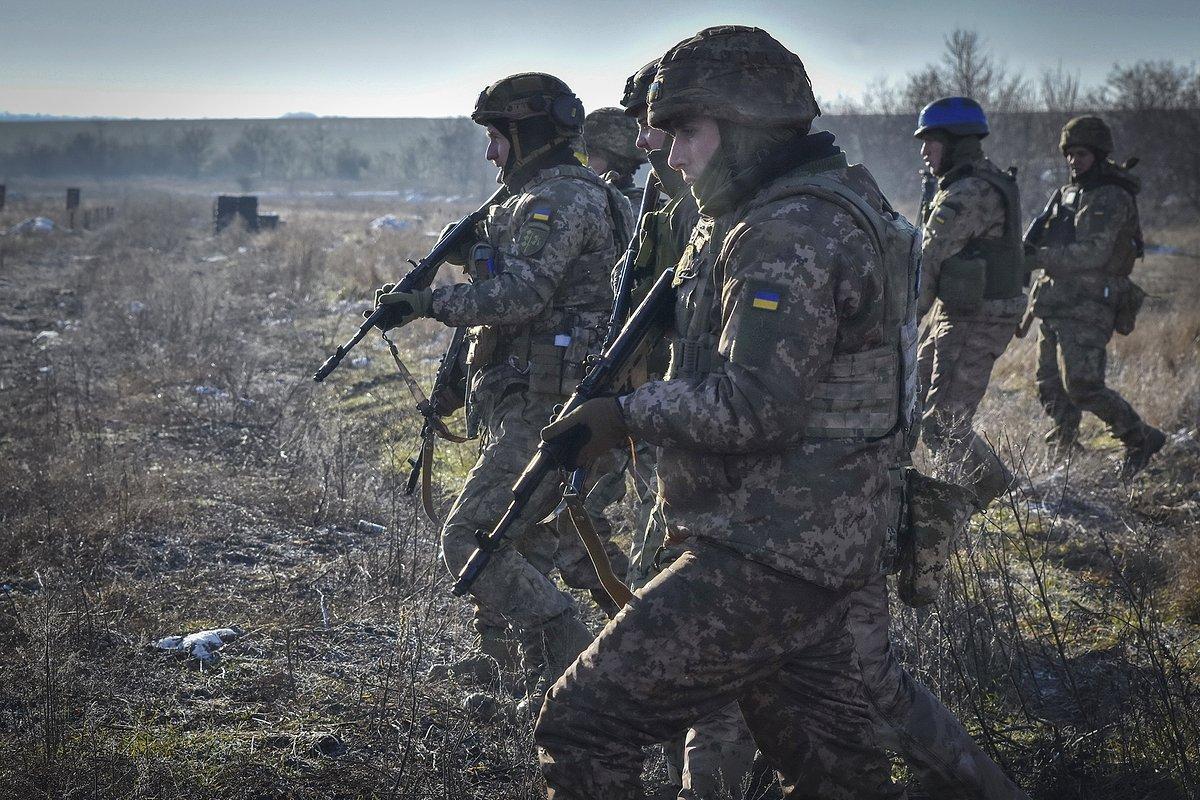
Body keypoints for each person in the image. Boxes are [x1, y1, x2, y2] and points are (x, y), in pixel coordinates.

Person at [534, 26, 911, 799]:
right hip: (807, 541)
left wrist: (625, 414)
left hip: (770, 549)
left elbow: (758, 404)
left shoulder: (786, 230)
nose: (671, 156)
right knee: (835, 769)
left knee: (582, 723)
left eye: (686, 132)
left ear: (744, 129)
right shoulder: (780, 212)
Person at [368, 72, 631, 713]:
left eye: (497, 137)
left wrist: (424, 302)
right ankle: (529, 684)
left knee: (470, 540)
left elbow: (521, 296)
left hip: (552, 407)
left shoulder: (560, 201)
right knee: (525, 546)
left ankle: (578, 674)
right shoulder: (531, 197)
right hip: (528, 399)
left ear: (528, 134)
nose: (490, 152)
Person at [1027, 115, 1165, 477]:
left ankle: (1139, 438)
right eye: (1069, 154)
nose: (1074, 161)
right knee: (1049, 381)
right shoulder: (1071, 193)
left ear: (1099, 155)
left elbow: (1093, 254)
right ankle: (1064, 445)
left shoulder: (1111, 197)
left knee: (1083, 385)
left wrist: (1037, 257)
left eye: (1082, 154)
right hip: (1057, 299)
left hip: (1090, 303)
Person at [913, 97, 1026, 508]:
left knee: (944, 422)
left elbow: (929, 258)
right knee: (916, 396)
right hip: (960, 309)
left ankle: (996, 494)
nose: (924, 152)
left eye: (931, 142)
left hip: (976, 315)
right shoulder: (975, 181)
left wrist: (905, 324)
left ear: (957, 142)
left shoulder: (969, 192)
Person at [584, 106, 648, 207]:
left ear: (617, 163)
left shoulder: (629, 209)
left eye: (590, 156)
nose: (584, 163)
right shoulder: (589, 199)